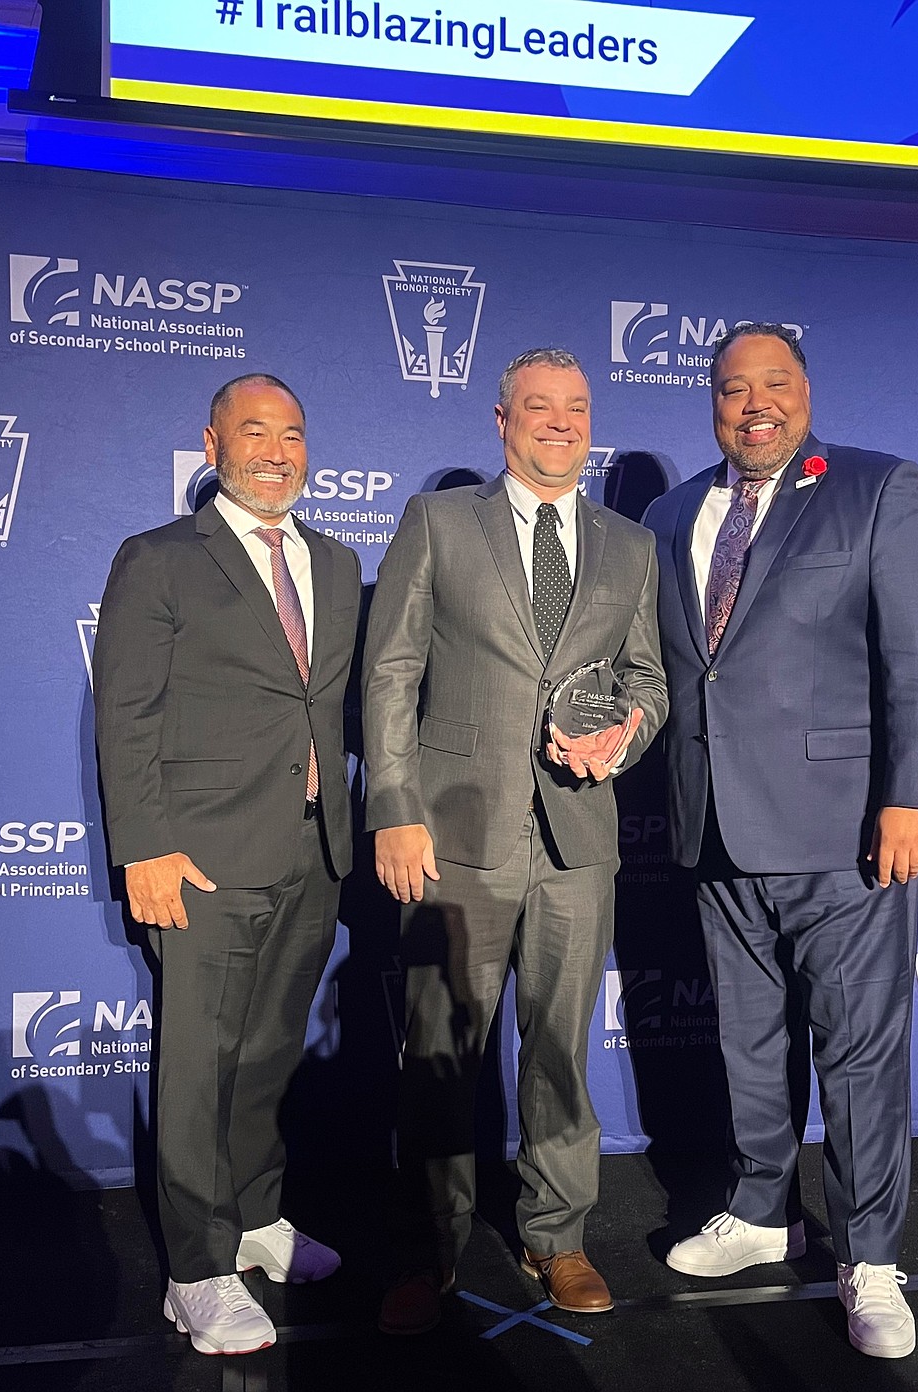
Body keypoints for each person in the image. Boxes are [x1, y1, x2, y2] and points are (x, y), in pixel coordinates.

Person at [644, 323, 918, 1360]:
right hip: (714, 825)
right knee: (747, 1041)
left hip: (845, 829)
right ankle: (759, 1209)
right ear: (712, 402)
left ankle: (869, 1256)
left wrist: (914, 795)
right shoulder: (667, 512)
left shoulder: (878, 486)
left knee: (860, 1054)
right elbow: (676, 669)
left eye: (772, 383)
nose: (753, 404)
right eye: (732, 388)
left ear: (805, 391)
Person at [362, 346, 668, 1335]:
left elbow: (648, 684)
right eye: (538, 408)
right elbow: (392, 672)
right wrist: (396, 806)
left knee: (562, 1054)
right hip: (453, 835)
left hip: (579, 837)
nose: (559, 423)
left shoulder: (631, 546)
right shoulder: (439, 524)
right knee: (442, 1053)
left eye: (576, 409)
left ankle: (556, 1234)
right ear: (501, 420)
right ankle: (431, 1247)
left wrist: (624, 735)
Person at [93, 373, 362, 1356]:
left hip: (312, 846)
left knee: (267, 1056)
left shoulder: (335, 563)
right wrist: (145, 848)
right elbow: (124, 715)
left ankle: (254, 1217)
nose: (277, 450)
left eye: (293, 432)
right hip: (200, 856)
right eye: (255, 431)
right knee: (201, 1065)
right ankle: (196, 1270)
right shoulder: (159, 560)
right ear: (212, 444)